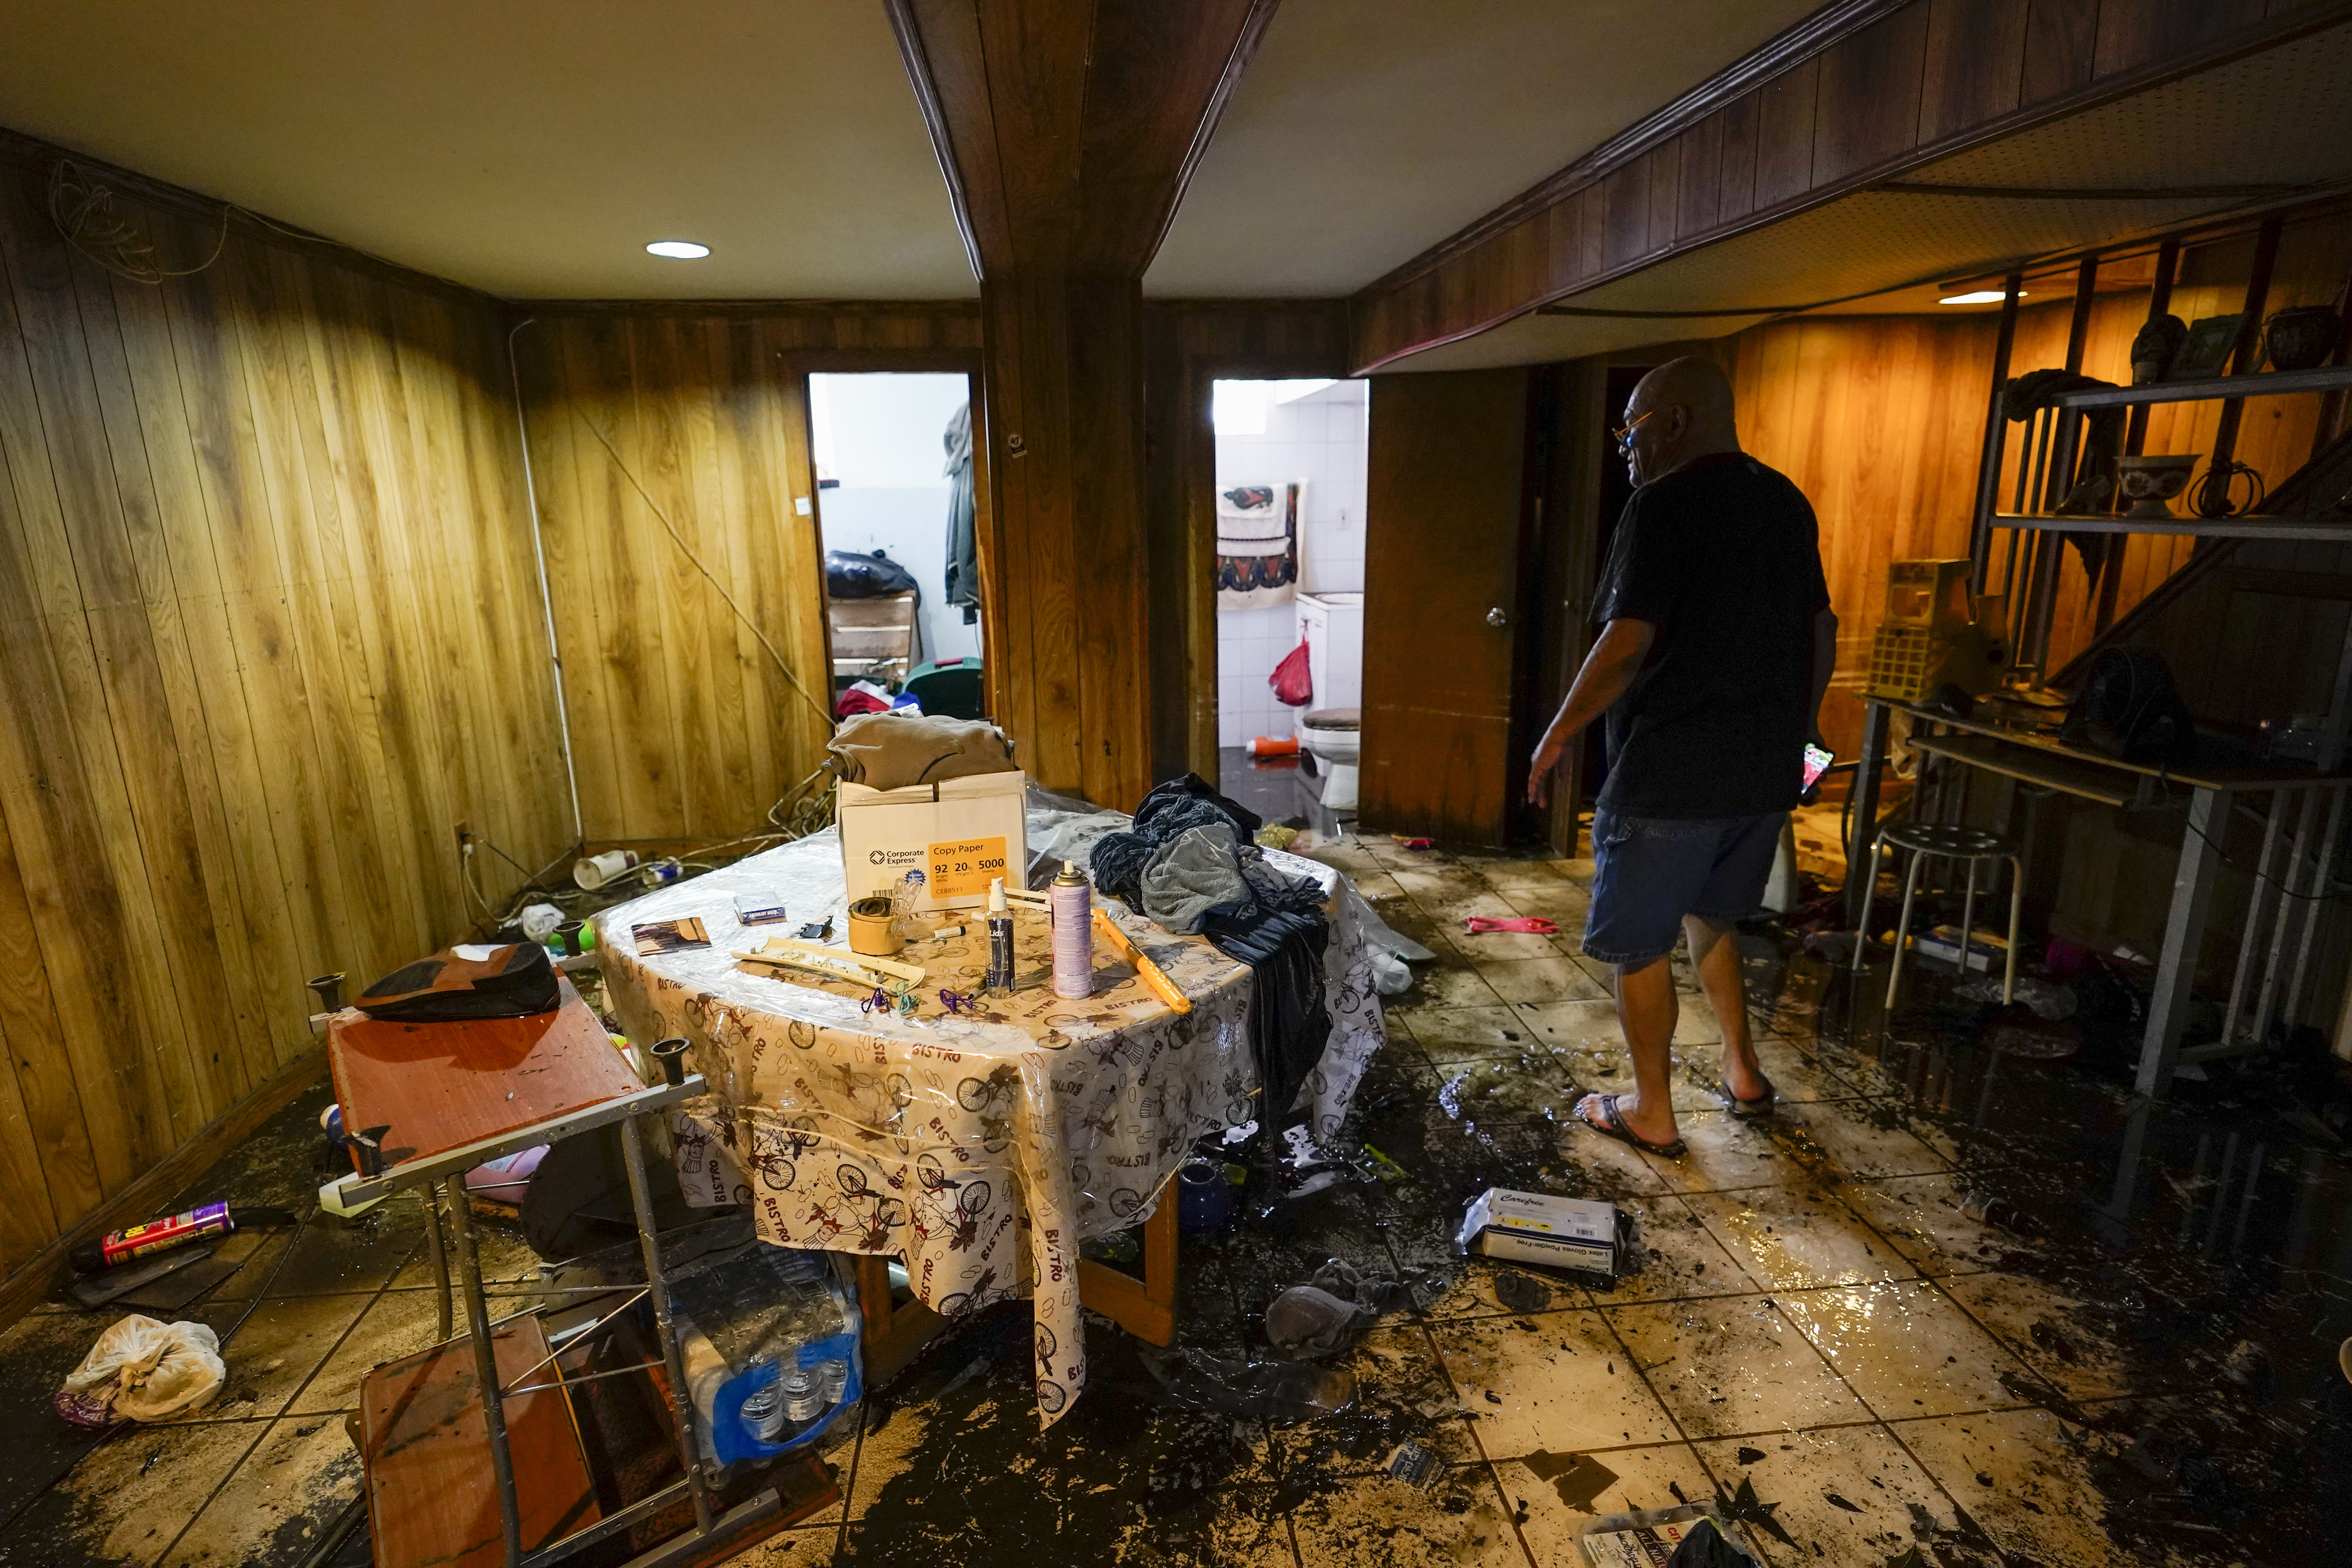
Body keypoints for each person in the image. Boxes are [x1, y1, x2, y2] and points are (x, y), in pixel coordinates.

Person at [1525, 357, 1836, 1157]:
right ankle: (1742, 1072)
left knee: (1636, 945)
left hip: (1670, 772)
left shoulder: (1660, 505)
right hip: (1763, 772)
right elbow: (1820, 633)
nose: (1623, 450)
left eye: (1629, 431)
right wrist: (1799, 735)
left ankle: (1651, 1111)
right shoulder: (1784, 501)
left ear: (1674, 421)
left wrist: (1558, 733)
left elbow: (1627, 639)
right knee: (1715, 914)